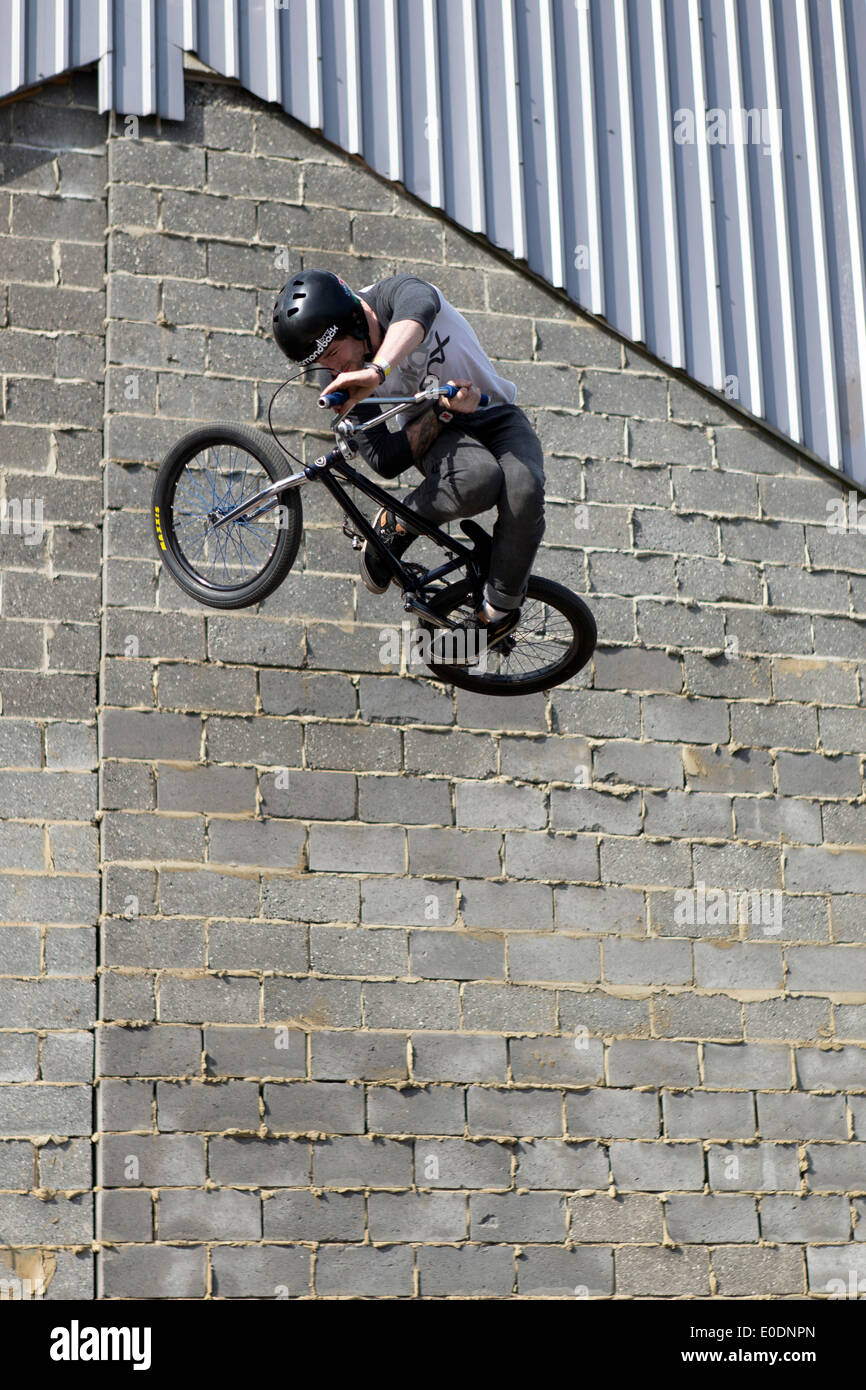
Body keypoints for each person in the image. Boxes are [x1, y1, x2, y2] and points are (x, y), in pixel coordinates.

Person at [272, 268, 546, 650]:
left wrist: (377, 370)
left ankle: (496, 615)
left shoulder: (396, 294)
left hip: (496, 413)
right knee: (477, 479)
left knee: (526, 487)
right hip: (439, 429)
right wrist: (444, 411)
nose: (334, 370)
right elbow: (384, 458)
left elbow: (420, 308)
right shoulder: (340, 382)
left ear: (352, 318)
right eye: (323, 364)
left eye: (333, 353)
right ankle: (394, 524)